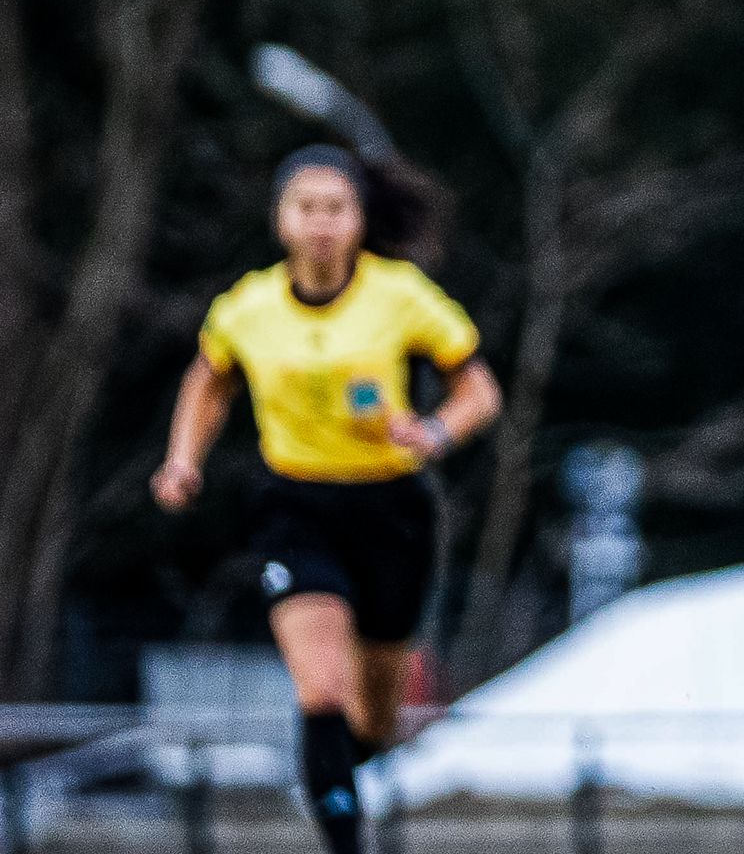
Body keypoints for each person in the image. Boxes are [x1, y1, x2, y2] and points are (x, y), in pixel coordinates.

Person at [153, 146, 500, 854]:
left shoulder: (399, 294)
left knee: (372, 713)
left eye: (334, 209)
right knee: (321, 691)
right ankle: (346, 844)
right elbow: (208, 381)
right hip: (295, 506)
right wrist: (182, 460)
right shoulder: (247, 307)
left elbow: (479, 392)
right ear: (281, 220)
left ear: (357, 219)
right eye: (305, 208)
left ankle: (350, 764)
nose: (320, 223)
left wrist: (432, 431)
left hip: (391, 507)